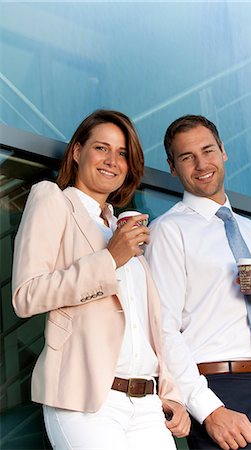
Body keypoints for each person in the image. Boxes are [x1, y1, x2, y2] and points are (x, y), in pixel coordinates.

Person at [12, 109, 190, 450]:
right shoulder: (54, 200)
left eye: (122, 153)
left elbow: (149, 323)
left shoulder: (122, 228)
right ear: (77, 152)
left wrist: (171, 391)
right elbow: (26, 295)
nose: (112, 161)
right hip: (87, 401)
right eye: (101, 148)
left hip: (147, 405)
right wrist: (109, 259)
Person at [145, 114, 251, 450]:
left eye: (208, 150)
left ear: (223, 151)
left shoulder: (248, 229)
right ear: (173, 168)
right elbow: (162, 330)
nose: (202, 164)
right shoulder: (169, 231)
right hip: (222, 388)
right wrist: (209, 410)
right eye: (187, 157)